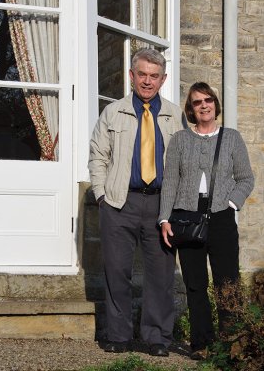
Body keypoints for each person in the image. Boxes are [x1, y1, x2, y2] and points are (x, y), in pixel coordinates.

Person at [88, 48, 186, 355]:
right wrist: (102, 196)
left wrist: (178, 206)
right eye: (141, 74)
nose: (147, 81)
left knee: (161, 275)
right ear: (132, 76)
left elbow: (184, 164)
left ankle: (156, 339)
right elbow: (98, 156)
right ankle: (118, 336)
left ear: (163, 79)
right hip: (120, 203)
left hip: (161, 206)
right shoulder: (113, 112)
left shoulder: (174, 116)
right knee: (117, 271)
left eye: (153, 76)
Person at [159, 82, 254, 360]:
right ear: (191, 108)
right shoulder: (179, 140)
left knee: (228, 282)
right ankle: (201, 343)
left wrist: (231, 204)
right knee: (195, 284)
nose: (204, 105)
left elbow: (246, 178)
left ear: (215, 104)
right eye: (197, 102)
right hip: (187, 218)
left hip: (222, 217)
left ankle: (232, 343)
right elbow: (170, 182)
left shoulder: (232, 138)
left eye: (208, 100)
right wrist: (165, 218)